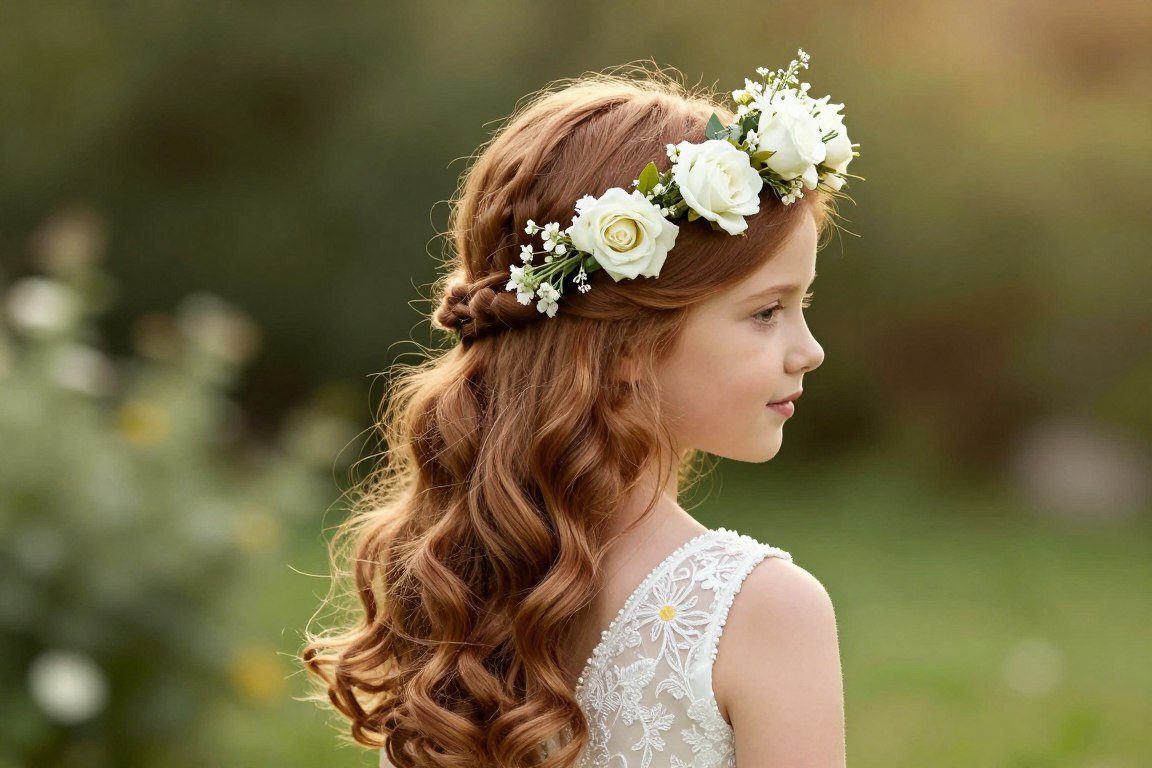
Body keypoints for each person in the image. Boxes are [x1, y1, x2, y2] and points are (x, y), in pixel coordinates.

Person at [301, 49, 860, 767]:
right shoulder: (763, 613)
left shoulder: (452, 581)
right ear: (626, 342)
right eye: (766, 312)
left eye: (801, 305)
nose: (807, 350)